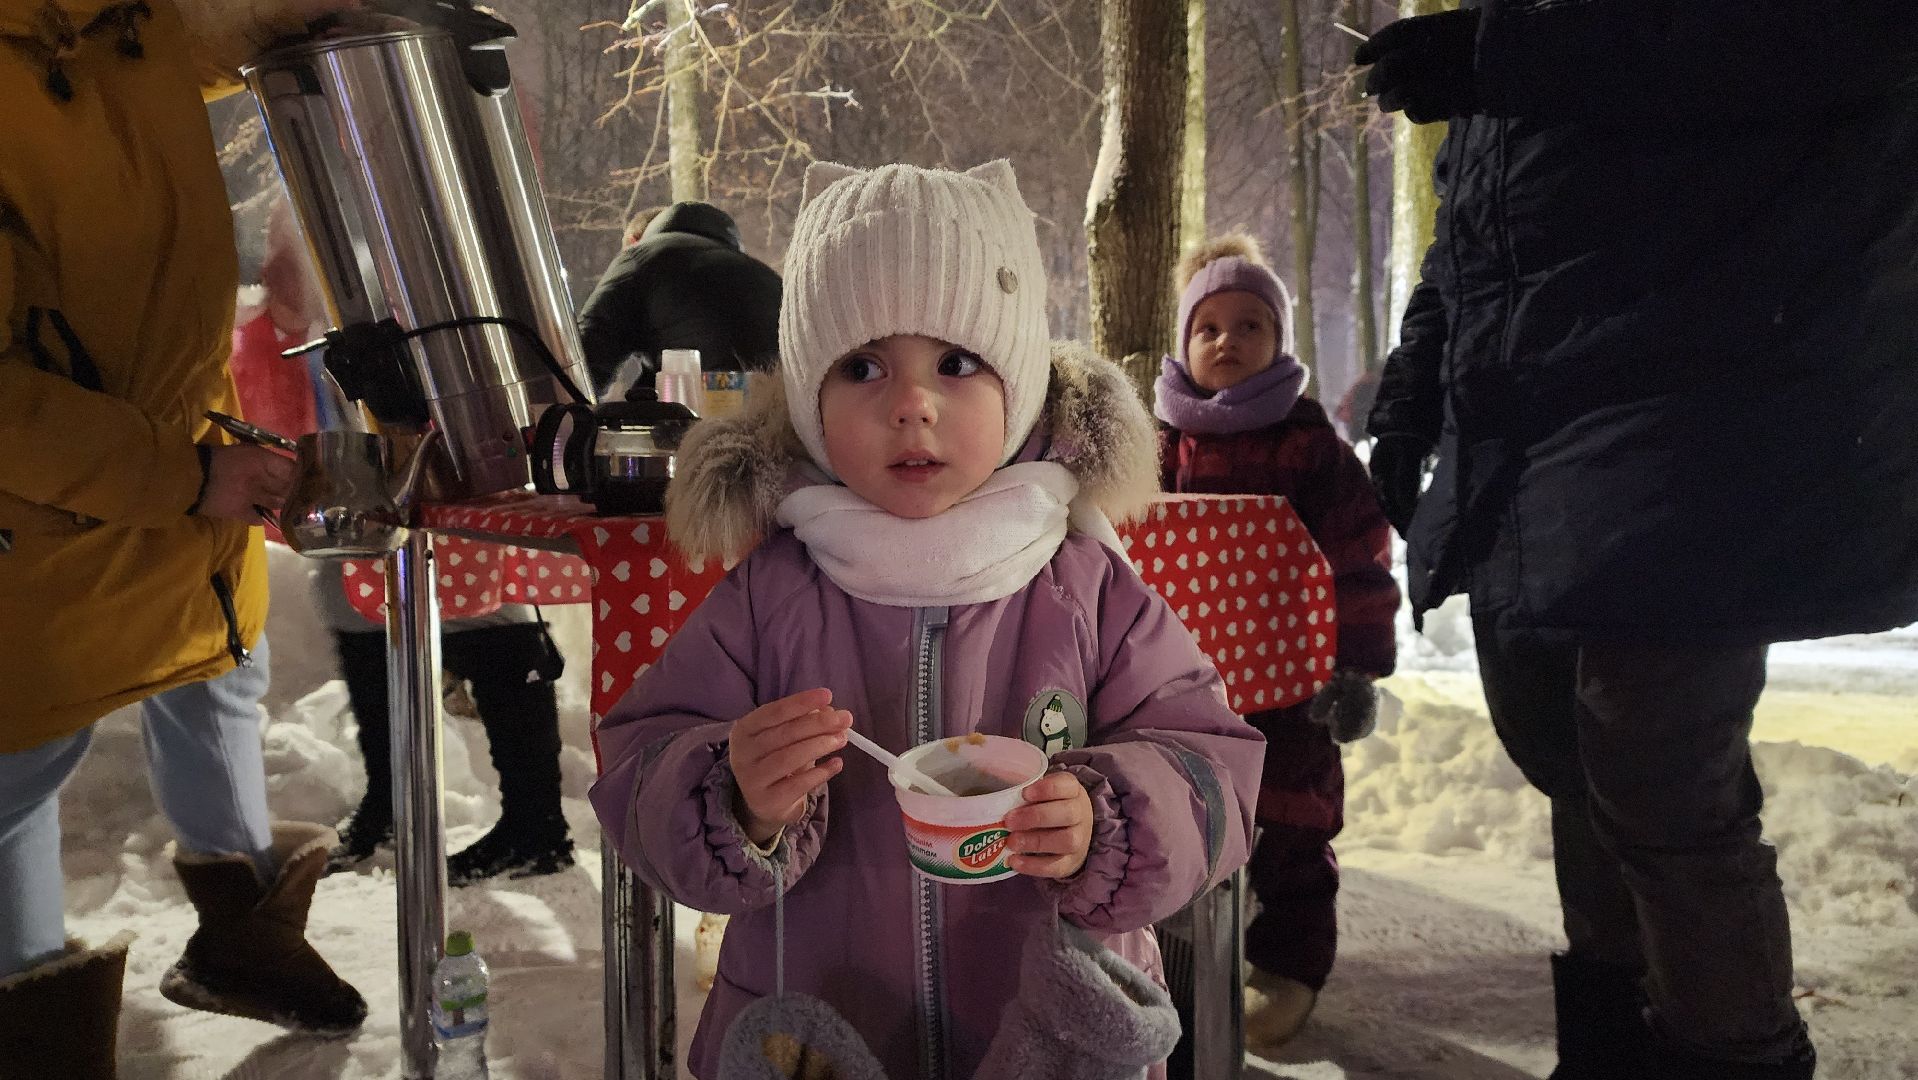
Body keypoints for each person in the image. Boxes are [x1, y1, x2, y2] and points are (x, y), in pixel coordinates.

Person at [589, 160, 1264, 1080]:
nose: (911, 404)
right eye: (862, 367)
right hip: (819, 1032)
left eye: (956, 363)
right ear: (811, 401)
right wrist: (731, 796)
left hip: (1050, 1034)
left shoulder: (1085, 584)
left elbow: (1214, 769)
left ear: (1019, 387)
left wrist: (1111, 825)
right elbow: (637, 766)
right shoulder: (769, 591)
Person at [1356, 4, 1918, 1079]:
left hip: (1706, 398)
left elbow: (1843, 37)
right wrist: (1410, 396)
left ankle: (1735, 1053)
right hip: (1536, 425)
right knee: (1563, 748)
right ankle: (1611, 1049)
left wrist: (1505, 57)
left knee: (1656, 769)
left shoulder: (1536, 45)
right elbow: (1475, 225)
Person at [0, 1, 369, 1075]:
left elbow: (231, 31)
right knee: (22, 758)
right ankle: (32, 1028)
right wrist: (185, 476)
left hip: (183, 478)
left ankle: (245, 933)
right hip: (50, 511)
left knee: (218, 675)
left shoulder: (132, 25)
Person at [228, 197, 576, 884]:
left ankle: (535, 823)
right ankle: (394, 802)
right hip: (369, 491)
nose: (272, 264)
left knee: (491, 612)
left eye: (283, 247)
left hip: (453, 470)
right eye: (271, 248)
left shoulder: (403, 286)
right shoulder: (283, 328)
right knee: (349, 601)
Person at [1153, 234, 1399, 1047]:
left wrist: (1356, 667)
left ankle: (1289, 967)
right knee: (1173, 817)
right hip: (1177, 685)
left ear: (1279, 340)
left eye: (1250, 325)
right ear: (1185, 341)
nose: (1227, 340)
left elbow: (1360, 560)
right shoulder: (1156, 445)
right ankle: (1165, 956)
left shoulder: (1312, 450)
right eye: (1208, 327)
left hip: (1293, 687)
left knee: (1294, 825)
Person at [574, 200, 782, 398]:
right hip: (777, 408)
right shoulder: (762, 274)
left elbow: (584, 365)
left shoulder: (640, 258)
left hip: (708, 410)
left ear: (634, 241)